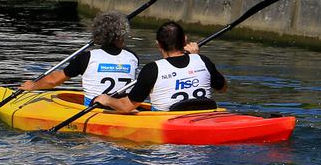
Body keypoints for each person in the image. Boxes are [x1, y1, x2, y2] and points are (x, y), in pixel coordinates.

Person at [92, 21, 226, 113]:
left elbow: (126, 107)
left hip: (167, 130)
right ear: (185, 40)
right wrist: (195, 57)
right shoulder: (202, 60)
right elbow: (223, 88)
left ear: (158, 44)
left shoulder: (152, 69)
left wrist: (106, 99)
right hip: (203, 119)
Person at [20, 12, 138, 105]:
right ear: (120, 35)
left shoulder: (87, 58)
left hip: (95, 109)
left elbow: (53, 81)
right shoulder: (133, 57)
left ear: (98, 35)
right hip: (123, 108)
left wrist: (33, 85)